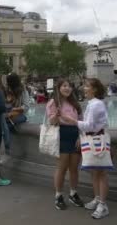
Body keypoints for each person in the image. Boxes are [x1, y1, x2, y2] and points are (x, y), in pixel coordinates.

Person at [60, 78, 110, 219]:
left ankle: (103, 204)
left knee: (101, 173)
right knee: (95, 172)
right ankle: (97, 198)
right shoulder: (93, 104)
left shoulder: (96, 105)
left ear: (94, 89)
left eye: (87, 86)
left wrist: (72, 121)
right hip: (93, 140)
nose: (83, 88)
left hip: (97, 140)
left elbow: (90, 126)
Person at [47, 78, 84, 211]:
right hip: (61, 135)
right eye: (64, 86)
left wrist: (80, 136)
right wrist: (56, 116)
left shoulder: (75, 104)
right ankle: (58, 195)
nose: (67, 88)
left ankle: (73, 193)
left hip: (75, 135)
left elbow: (81, 121)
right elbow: (51, 121)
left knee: (74, 167)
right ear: (58, 88)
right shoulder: (53, 102)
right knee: (61, 168)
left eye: (69, 86)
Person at [1, 73, 30, 162]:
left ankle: (7, 152)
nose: (7, 84)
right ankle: (5, 151)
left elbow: (26, 107)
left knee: (6, 126)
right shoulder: (8, 91)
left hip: (21, 115)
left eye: (8, 82)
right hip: (10, 115)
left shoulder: (23, 91)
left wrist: (13, 109)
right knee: (4, 124)